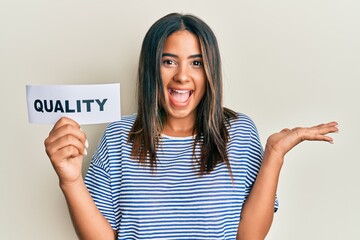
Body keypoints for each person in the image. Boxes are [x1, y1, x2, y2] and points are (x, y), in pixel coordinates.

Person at [44, 13, 338, 240]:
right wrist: (70, 181)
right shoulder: (119, 136)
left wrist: (273, 155)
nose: (183, 76)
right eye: (169, 61)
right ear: (151, 69)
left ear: (210, 71)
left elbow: (249, 236)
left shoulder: (238, 132)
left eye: (196, 63)